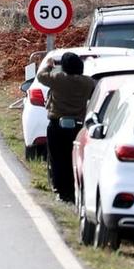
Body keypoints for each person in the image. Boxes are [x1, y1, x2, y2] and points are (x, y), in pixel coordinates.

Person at [41, 52, 97, 202]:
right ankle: (74, 188)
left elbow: (41, 76)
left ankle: (60, 189)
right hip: (78, 127)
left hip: (57, 125)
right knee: (75, 158)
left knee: (57, 158)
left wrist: (49, 65)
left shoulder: (59, 79)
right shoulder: (88, 82)